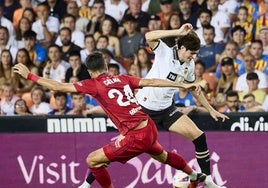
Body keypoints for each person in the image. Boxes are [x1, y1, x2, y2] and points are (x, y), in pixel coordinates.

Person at [14, 51, 207, 188]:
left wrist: (29, 75)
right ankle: (193, 175)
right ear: (106, 66)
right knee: (162, 156)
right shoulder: (122, 78)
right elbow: (152, 81)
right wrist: (182, 84)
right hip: (148, 126)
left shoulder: (93, 84)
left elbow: (58, 86)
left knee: (93, 160)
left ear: (90, 71)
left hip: (135, 137)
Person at [135, 24, 229, 188]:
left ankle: (207, 181)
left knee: (199, 136)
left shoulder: (189, 64)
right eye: (191, 53)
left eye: (195, 54)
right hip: (144, 110)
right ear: (182, 47)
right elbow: (149, 35)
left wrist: (211, 110)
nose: (193, 57)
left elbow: (194, 89)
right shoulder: (164, 51)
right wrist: (177, 32)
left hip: (166, 110)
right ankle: (88, 182)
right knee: (122, 150)